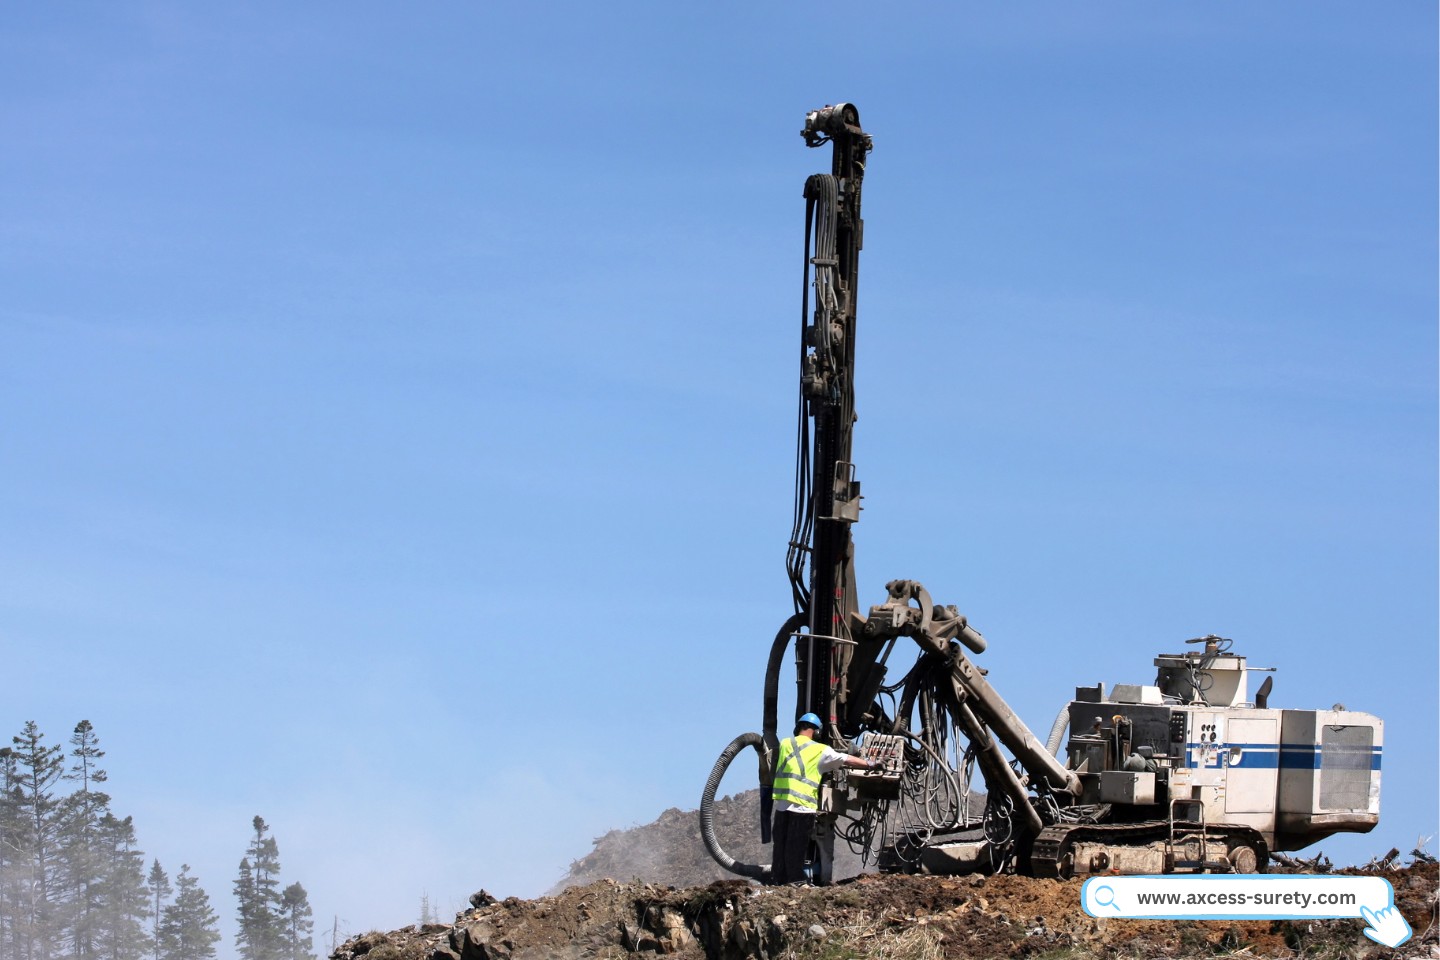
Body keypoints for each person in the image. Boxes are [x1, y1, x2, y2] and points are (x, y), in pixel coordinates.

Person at [770, 712, 876, 885]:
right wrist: (870, 763)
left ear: (798, 727)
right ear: (816, 732)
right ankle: (796, 881)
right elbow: (846, 759)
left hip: (782, 807)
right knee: (796, 848)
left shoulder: (785, 743)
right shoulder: (821, 750)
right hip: (803, 807)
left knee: (780, 847)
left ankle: (778, 881)